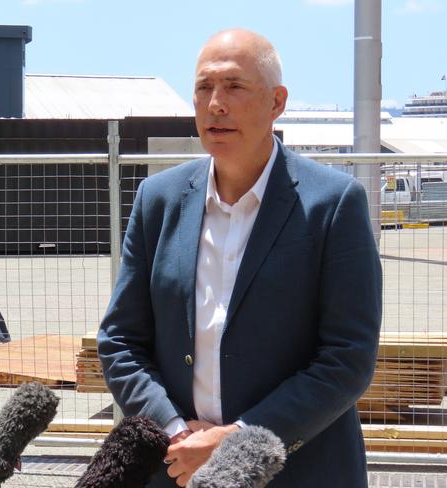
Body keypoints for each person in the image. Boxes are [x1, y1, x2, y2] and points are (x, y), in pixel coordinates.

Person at [98, 28, 382, 488]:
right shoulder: (158, 200)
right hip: (178, 469)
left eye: (233, 86)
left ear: (277, 102)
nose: (216, 104)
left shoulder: (333, 204)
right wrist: (176, 435)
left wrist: (237, 440)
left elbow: (348, 358)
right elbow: (120, 340)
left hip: (297, 471)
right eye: (204, 87)